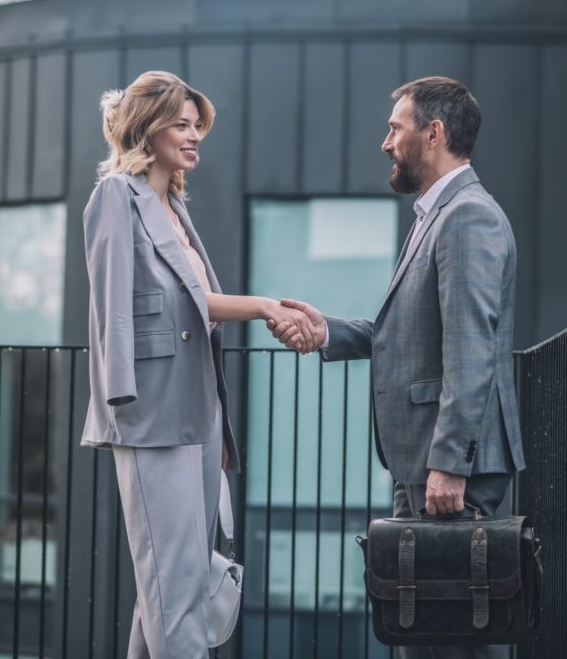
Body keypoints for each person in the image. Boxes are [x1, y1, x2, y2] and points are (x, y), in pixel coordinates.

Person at [272, 76, 526, 659]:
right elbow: (411, 334)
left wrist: (448, 466)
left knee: (451, 643)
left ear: (433, 134)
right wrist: (326, 330)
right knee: (425, 639)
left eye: (396, 129)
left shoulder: (467, 217)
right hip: (427, 466)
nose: (385, 143)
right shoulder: (436, 215)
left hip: (447, 473)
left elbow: (471, 346)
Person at [80, 71, 312, 658]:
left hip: (200, 411)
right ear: (147, 126)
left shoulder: (174, 204)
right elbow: (111, 304)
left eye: (196, 126)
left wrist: (264, 306)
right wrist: (121, 400)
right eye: (181, 125)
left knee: (173, 582)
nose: (193, 137)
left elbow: (196, 302)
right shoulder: (115, 196)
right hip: (150, 411)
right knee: (173, 589)